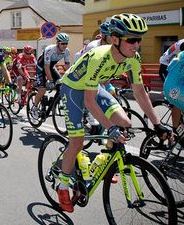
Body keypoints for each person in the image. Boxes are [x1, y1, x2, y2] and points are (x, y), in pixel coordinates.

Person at [56, 13, 172, 213]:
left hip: (94, 88)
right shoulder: (99, 57)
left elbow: (140, 92)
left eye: (139, 39)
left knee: (125, 122)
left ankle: (104, 159)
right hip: (74, 89)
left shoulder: (133, 58)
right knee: (77, 142)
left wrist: (157, 123)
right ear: (116, 39)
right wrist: (109, 128)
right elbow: (88, 101)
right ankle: (63, 185)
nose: (137, 45)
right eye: (132, 40)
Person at [31, 33, 71, 119]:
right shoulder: (50, 49)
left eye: (66, 43)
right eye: (62, 43)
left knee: (60, 85)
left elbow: (67, 66)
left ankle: (55, 105)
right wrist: (50, 80)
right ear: (57, 43)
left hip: (51, 67)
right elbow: (46, 66)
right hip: (41, 67)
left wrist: (70, 77)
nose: (64, 45)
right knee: (42, 89)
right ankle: (34, 107)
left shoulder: (67, 51)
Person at [159, 38, 184, 130]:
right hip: (166, 67)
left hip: (176, 69)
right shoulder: (183, 44)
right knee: (176, 101)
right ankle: (175, 130)